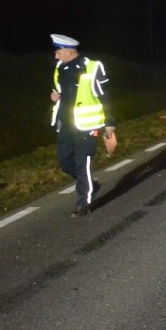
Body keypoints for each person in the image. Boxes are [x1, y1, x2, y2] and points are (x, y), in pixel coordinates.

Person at [49, 34, 116, 217]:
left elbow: (104, 96)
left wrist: (109, 123)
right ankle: (89, 184)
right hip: (65, 126)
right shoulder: (59, 68)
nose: (55, 56)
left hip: (87, 126)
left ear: (69, 52)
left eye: (58, 52)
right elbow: (61, 93)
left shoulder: (92, 67)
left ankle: (83, 203)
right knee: (64, 162)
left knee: (82, 164)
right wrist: (55, 97)